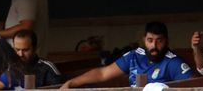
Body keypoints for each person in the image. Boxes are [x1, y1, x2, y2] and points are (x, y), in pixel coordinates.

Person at [59, 23, 191, 88]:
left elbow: (195, 86)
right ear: (144, 39)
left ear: (166, 40)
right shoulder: (134, 56)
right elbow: (103, 74)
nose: (154, 46)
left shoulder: (174, 62)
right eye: (150, 40)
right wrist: (71, 82)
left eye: (159, 41)